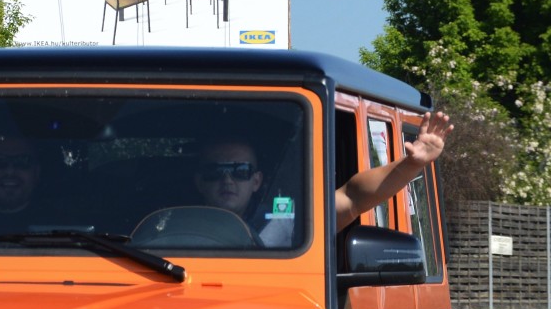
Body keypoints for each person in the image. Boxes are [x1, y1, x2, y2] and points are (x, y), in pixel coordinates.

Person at [193, 111, 453, 246]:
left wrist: (410, 166)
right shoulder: (169, 228)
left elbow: (353, 197)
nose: (227, 180)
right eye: (215, 171)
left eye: (240, 171)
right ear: (199, 181)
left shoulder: (289, 223)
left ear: (257, 181)